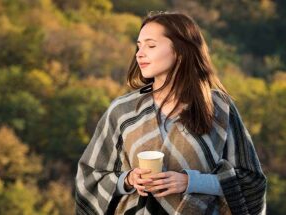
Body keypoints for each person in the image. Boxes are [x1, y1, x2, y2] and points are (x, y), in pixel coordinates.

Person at [75, 11, 266, 215]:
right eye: (139, 46)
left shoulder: (218, 107)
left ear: (180, 51)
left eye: (151, 45)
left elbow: (250, 182)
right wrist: (129, 180)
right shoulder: (123, 110)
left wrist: (191, 182)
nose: (139, 53)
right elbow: (90, 177)